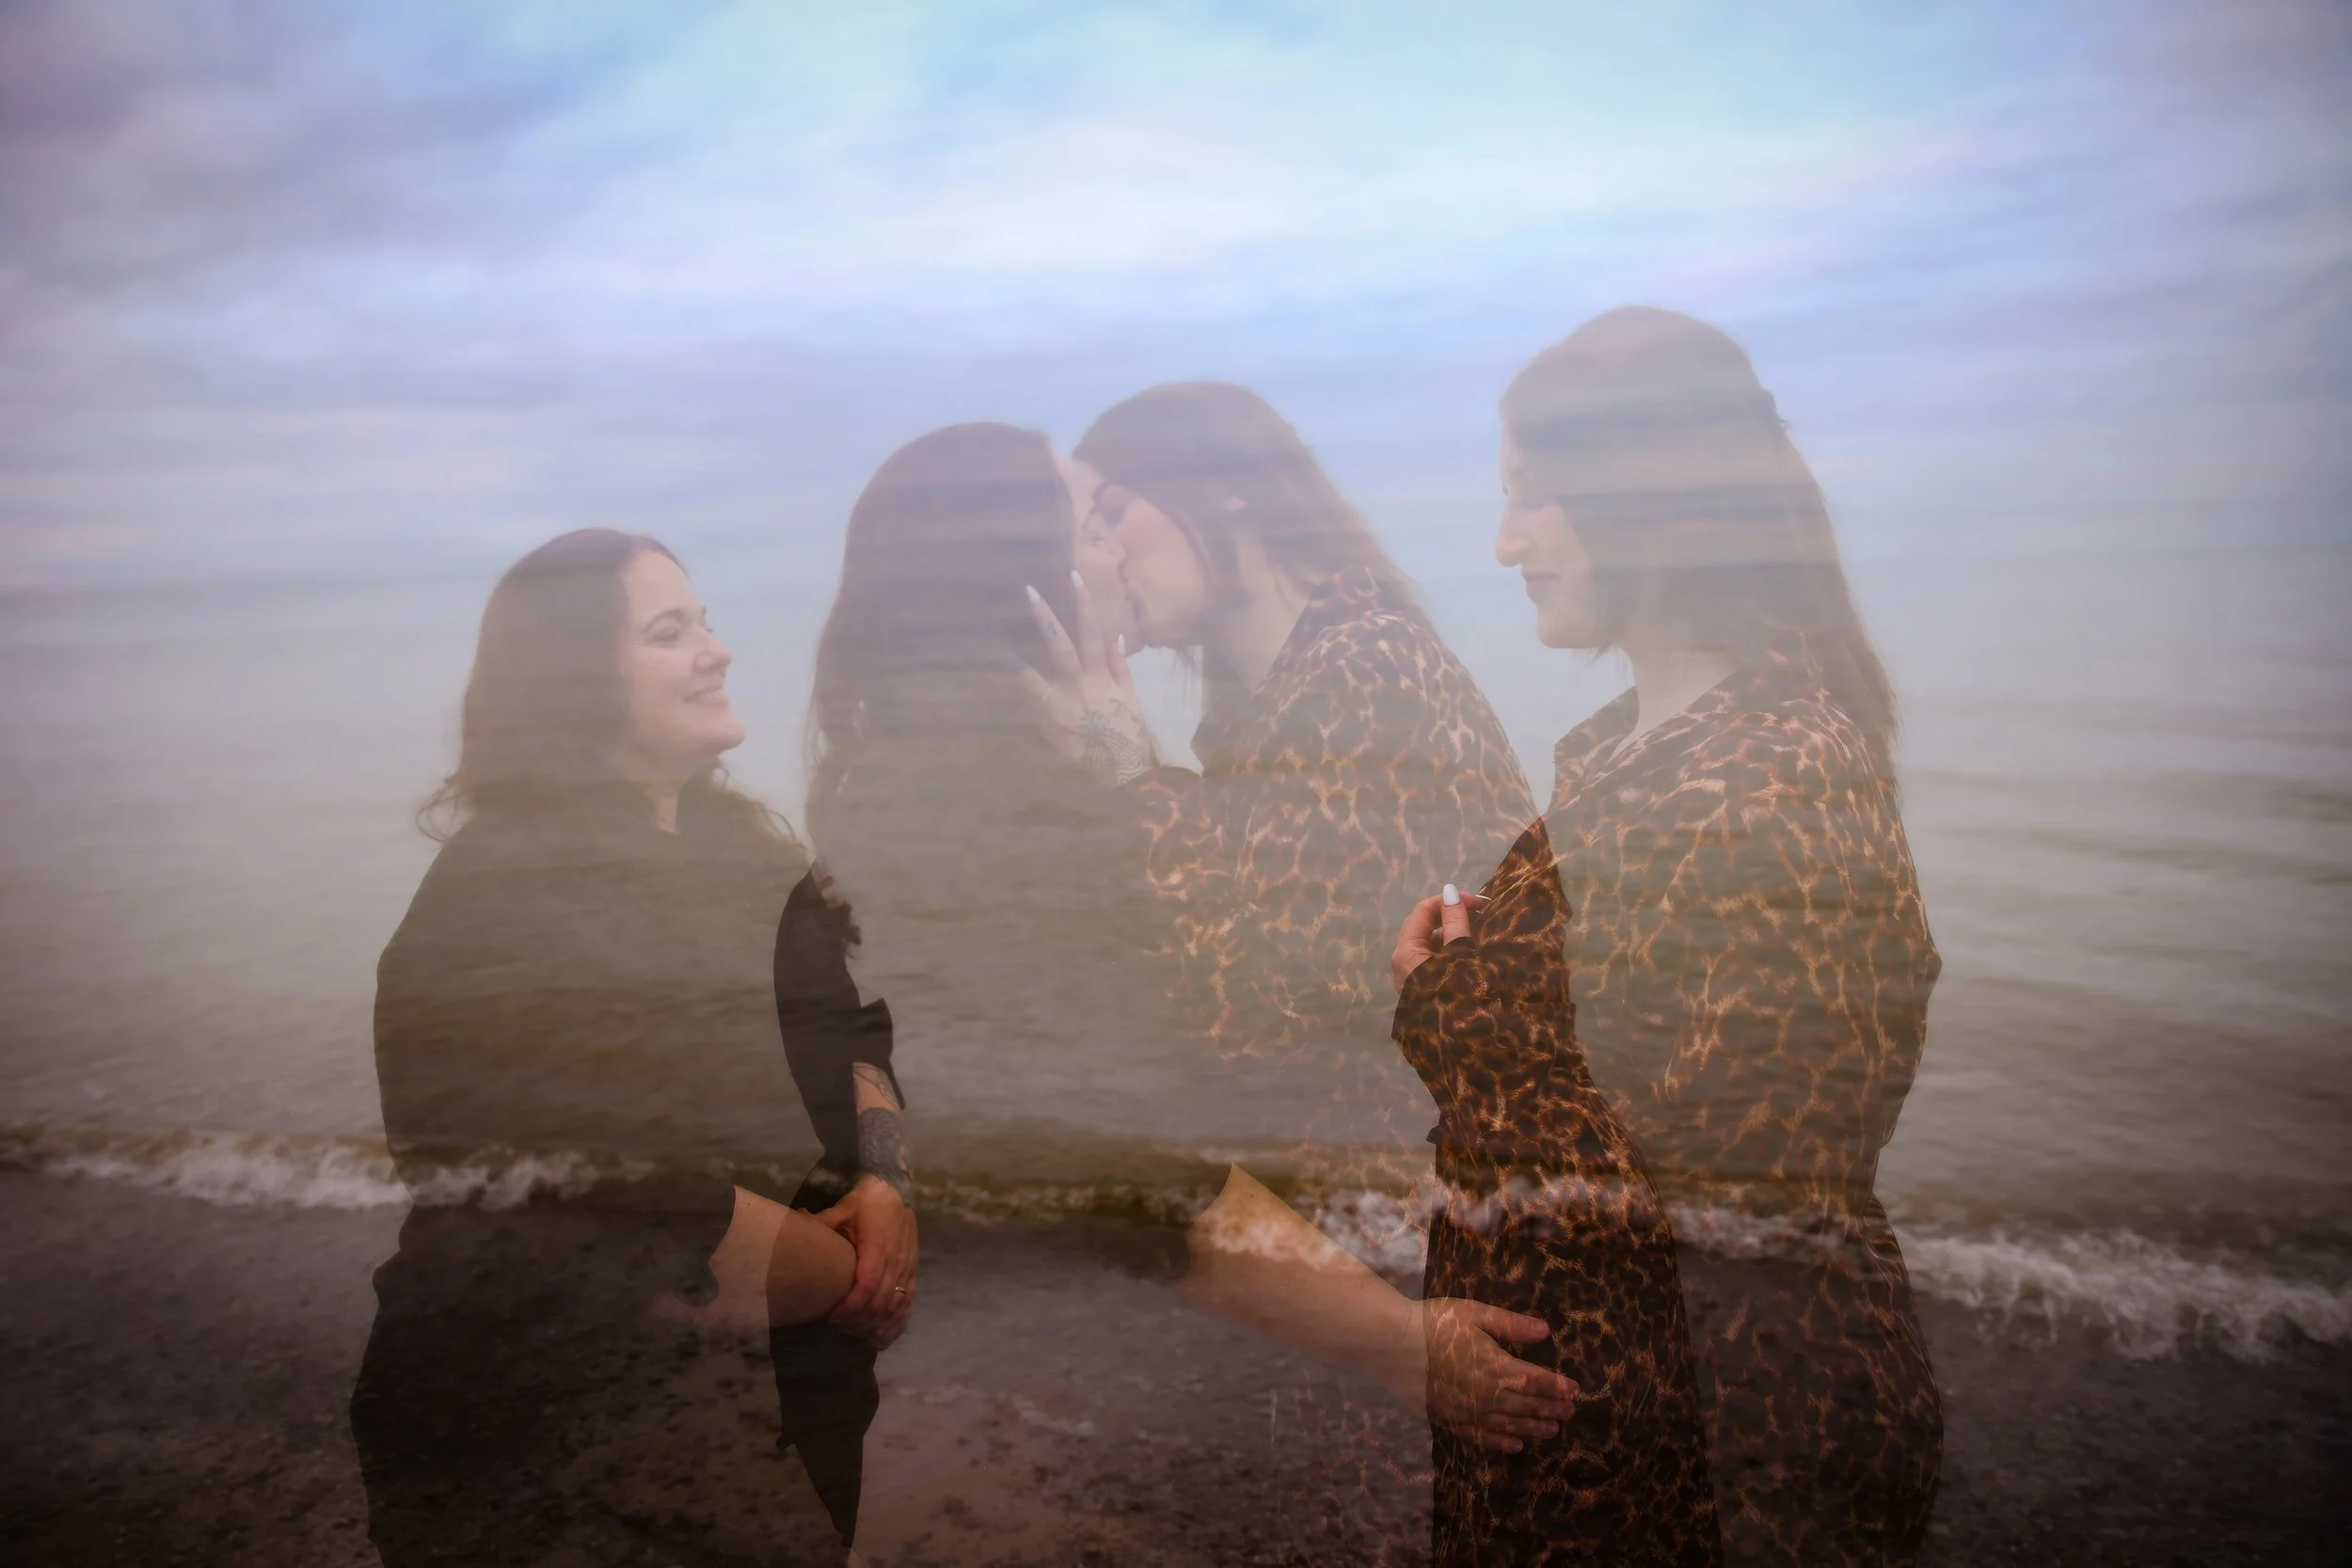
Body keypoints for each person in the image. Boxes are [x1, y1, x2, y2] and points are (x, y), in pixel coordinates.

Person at [810, 422, 1570, 1523]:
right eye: (1090, 525)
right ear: (1033, 587)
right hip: (1051, 1370)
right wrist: (1402, 1346)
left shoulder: (948, 775)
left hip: (1042, 1331)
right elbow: (1125, 1165)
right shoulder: (981, 804)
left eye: (1121, 517)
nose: (1116, 553)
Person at [350, 529, 914, 1563]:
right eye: (670, 631)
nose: (719, 649)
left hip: (782, 1385)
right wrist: (859, 1273)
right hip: (546, 1430)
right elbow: (623, 1204)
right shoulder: (504, 909)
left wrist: (884, 1187)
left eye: (705, 619)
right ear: (574, 682)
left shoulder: (743, 855)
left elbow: (853, 1030)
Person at [1495, 307, 1944, 1564]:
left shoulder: (1772, 775)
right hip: (1654, 1394)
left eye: (1535, 496)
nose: (1504, 541)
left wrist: (1468, 1029)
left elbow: (1739, 1173)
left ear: (1644, 492)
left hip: (1743, 1433)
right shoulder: (1637, 747)